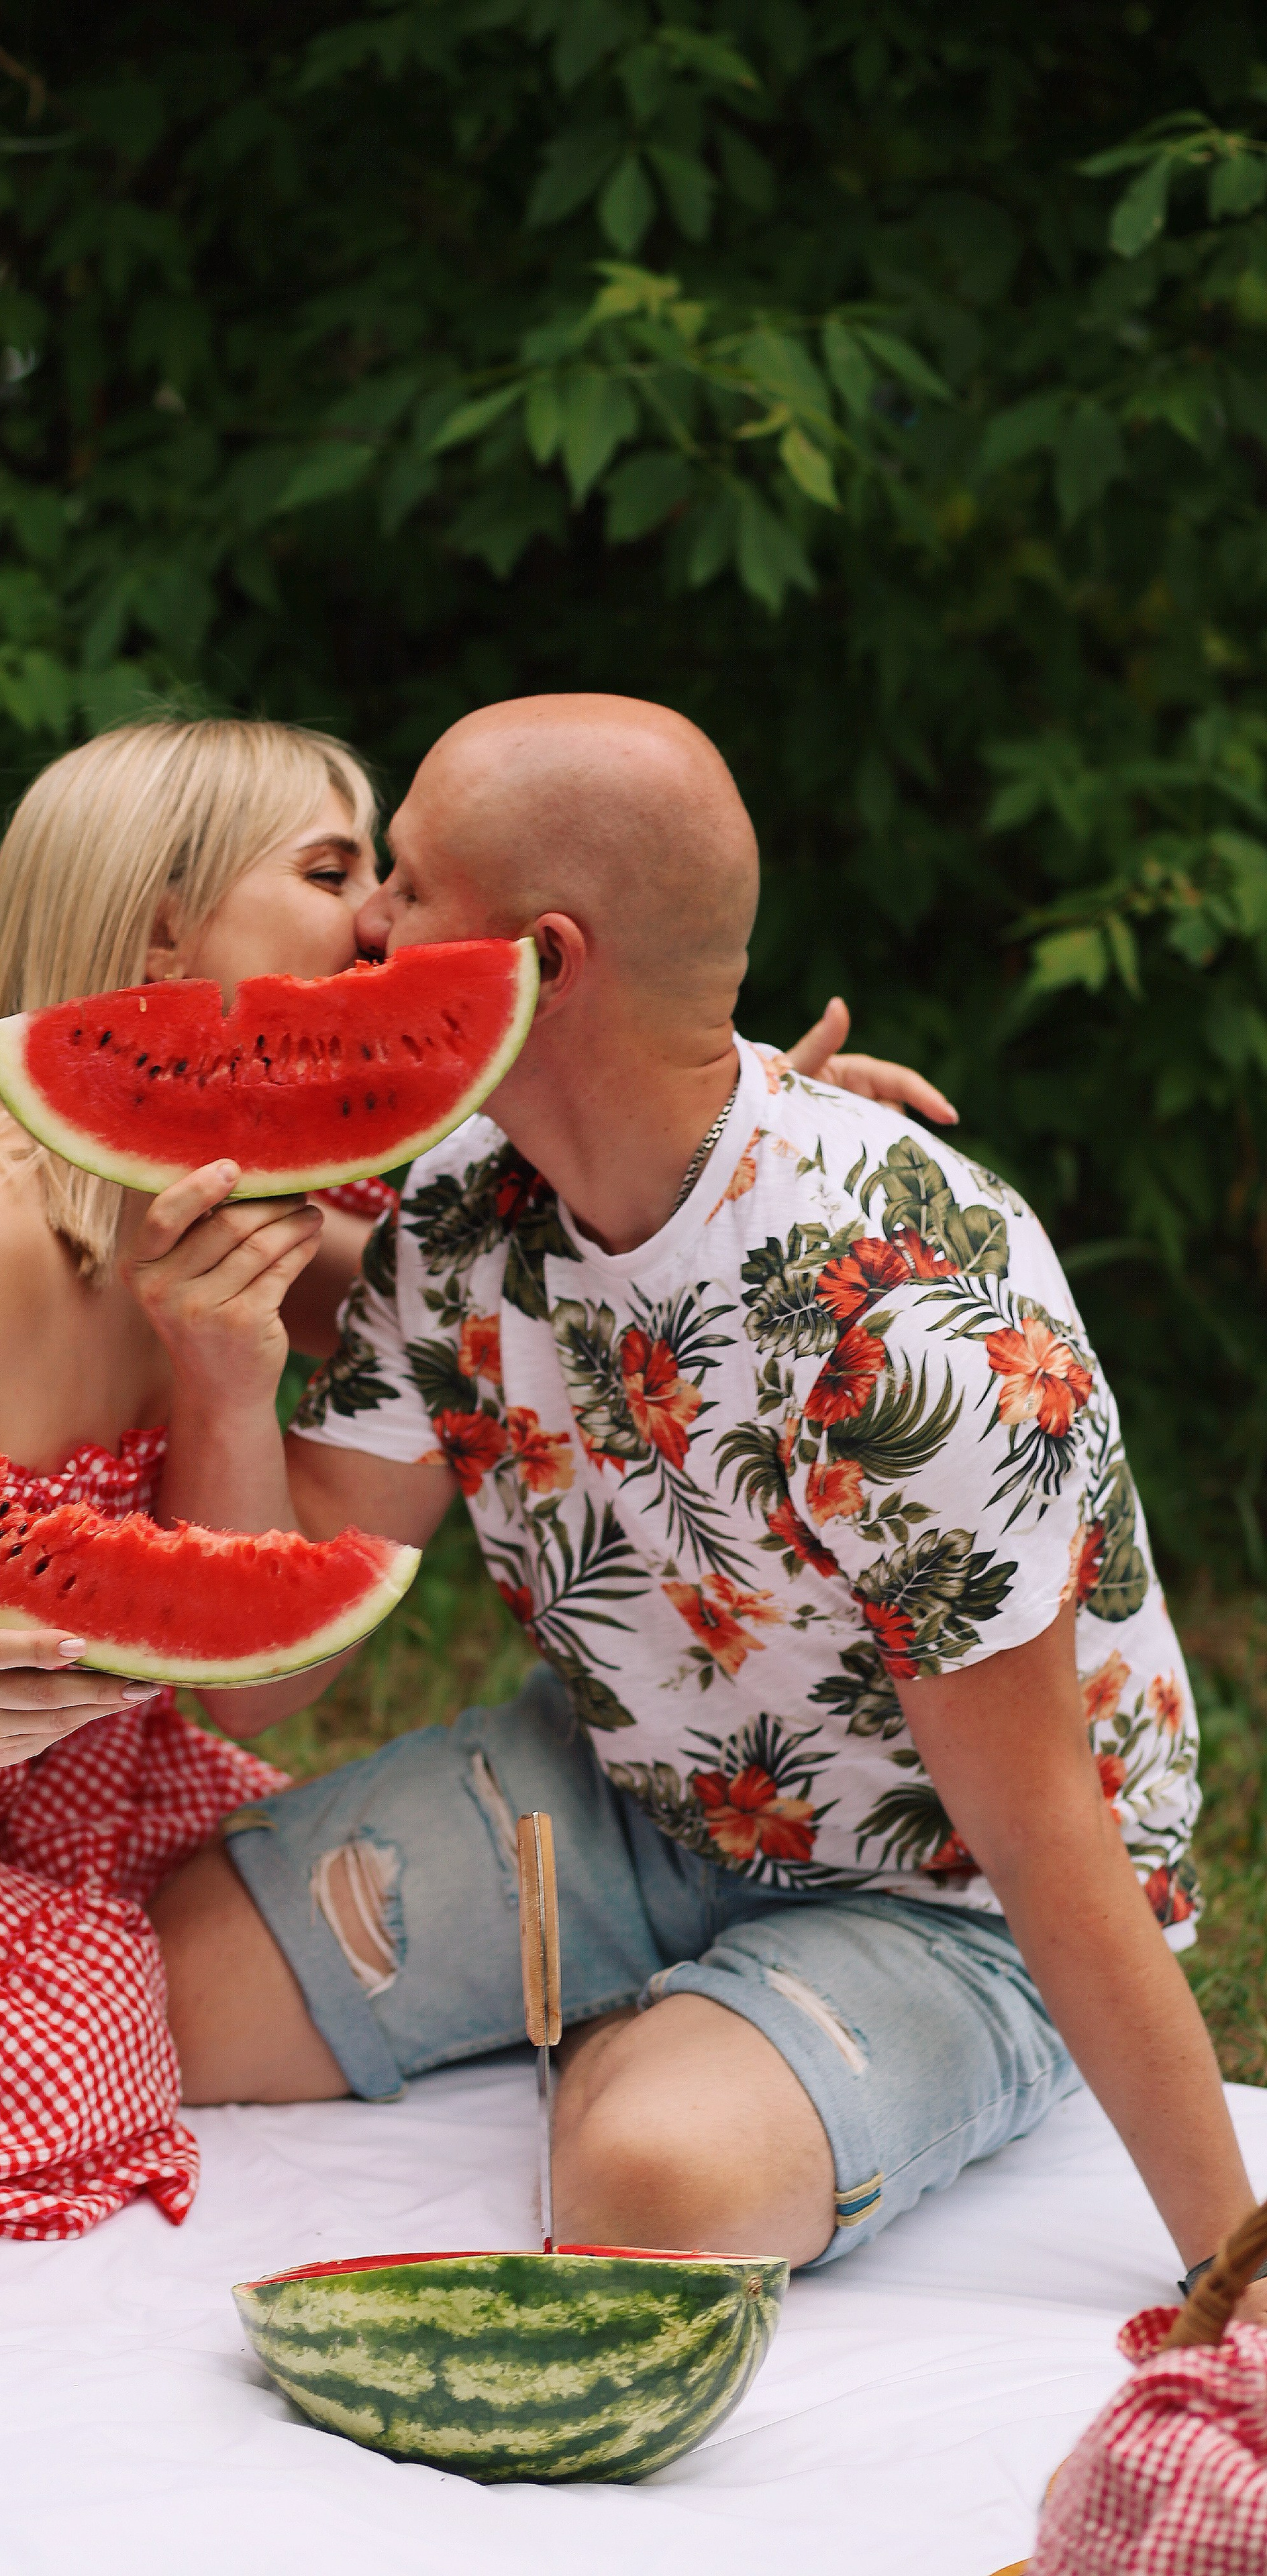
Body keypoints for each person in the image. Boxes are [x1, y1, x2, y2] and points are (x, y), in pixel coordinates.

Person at [0, 709, 915, 2244]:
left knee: (246, 1924)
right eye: (333, 868)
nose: (383, 921)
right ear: (159, 925)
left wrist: (720, 1144)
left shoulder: (259, 1211)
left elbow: (536, 1285)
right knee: (78, 2028)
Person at [140, 693, 1264, 2322]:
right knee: (156, 2000)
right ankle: (654, 2012)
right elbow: (264, 1675)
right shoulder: (459, 1205)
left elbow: (1037, 1830)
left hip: (946, 1895)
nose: (366, 925)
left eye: (408, 884)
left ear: (540, 959)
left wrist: (1231, 2268)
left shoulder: (904, 1323)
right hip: (634, 1798)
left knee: (652, 2183)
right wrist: (221, 1379)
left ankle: (651, 2044)